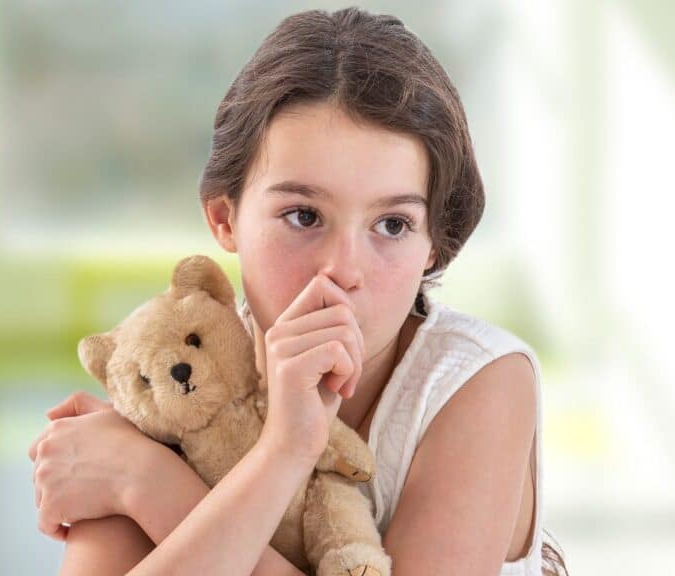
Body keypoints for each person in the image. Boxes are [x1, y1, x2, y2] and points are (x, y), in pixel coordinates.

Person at [28, 7, 568, 575]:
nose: (344, 269)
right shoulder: (178, 378)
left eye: (392, 225)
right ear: (224, 218)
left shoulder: (477, 381)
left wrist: (148, 483)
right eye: (304, 216)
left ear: (434, 241)